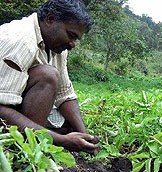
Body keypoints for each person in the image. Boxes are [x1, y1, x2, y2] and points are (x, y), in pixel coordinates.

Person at [0, 0, 99, 154]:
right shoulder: (20, 42)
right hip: (4, 108)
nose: (73, 44)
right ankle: (26, 147)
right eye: (71, 35)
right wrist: (62, 141)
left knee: (69, 124)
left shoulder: (56, 46)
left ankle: (36, 136)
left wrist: (86, 137)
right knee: (48, 76)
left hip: (16, 103)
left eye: (76, 39)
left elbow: (65, 95)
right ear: (50, 20)